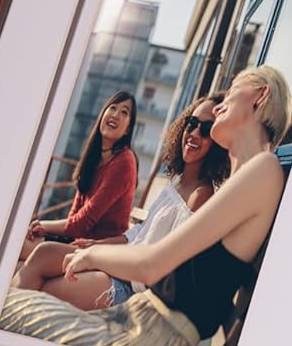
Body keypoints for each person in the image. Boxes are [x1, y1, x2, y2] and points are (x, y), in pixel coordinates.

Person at [0, 66, 292, 346]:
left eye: (231, 93)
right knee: (8, 300)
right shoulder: (241, 179)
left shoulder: (264, 169)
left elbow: (152, 265)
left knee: (5, 307)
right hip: (138, 322)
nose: (220, 106)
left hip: (149, 337)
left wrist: (92, 254)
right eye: (193, 124)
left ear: (260, 95)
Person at [13, 95, 229, 311]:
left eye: (206, 129)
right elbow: (139, 234)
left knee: (41, 288)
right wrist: (97, 246)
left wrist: (99, 257)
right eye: (191, 123)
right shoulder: (178, 180)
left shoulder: (200, 195)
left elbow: (163, 271)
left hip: (129, 286)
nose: (194, 133)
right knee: (42, 254)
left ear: (218, 140)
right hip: (117, 263)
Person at [27, 90, 138, 249]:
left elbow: (82, 223)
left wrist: (43, 225)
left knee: (27, 245)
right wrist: (43, 228)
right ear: (103, 114)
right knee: (24, 240)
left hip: (98, 249)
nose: (115, 115)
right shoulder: (94, 157)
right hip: (79, 242)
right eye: (113, 108)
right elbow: (74, 217)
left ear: (128, 129)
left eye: (124, 112)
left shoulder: (124, 162)